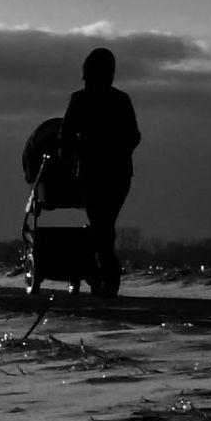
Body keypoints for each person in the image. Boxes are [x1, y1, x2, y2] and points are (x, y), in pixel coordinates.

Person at [60, 46, 141, 296]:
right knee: (105, 222)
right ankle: (103, 273)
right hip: (118, 173)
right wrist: (121, 151)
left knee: (100, 223)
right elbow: (134, 136)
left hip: (94, 172)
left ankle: (103, 272)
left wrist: (74, 155)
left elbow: (65, 138)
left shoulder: (80, 100)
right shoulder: (121, 100)